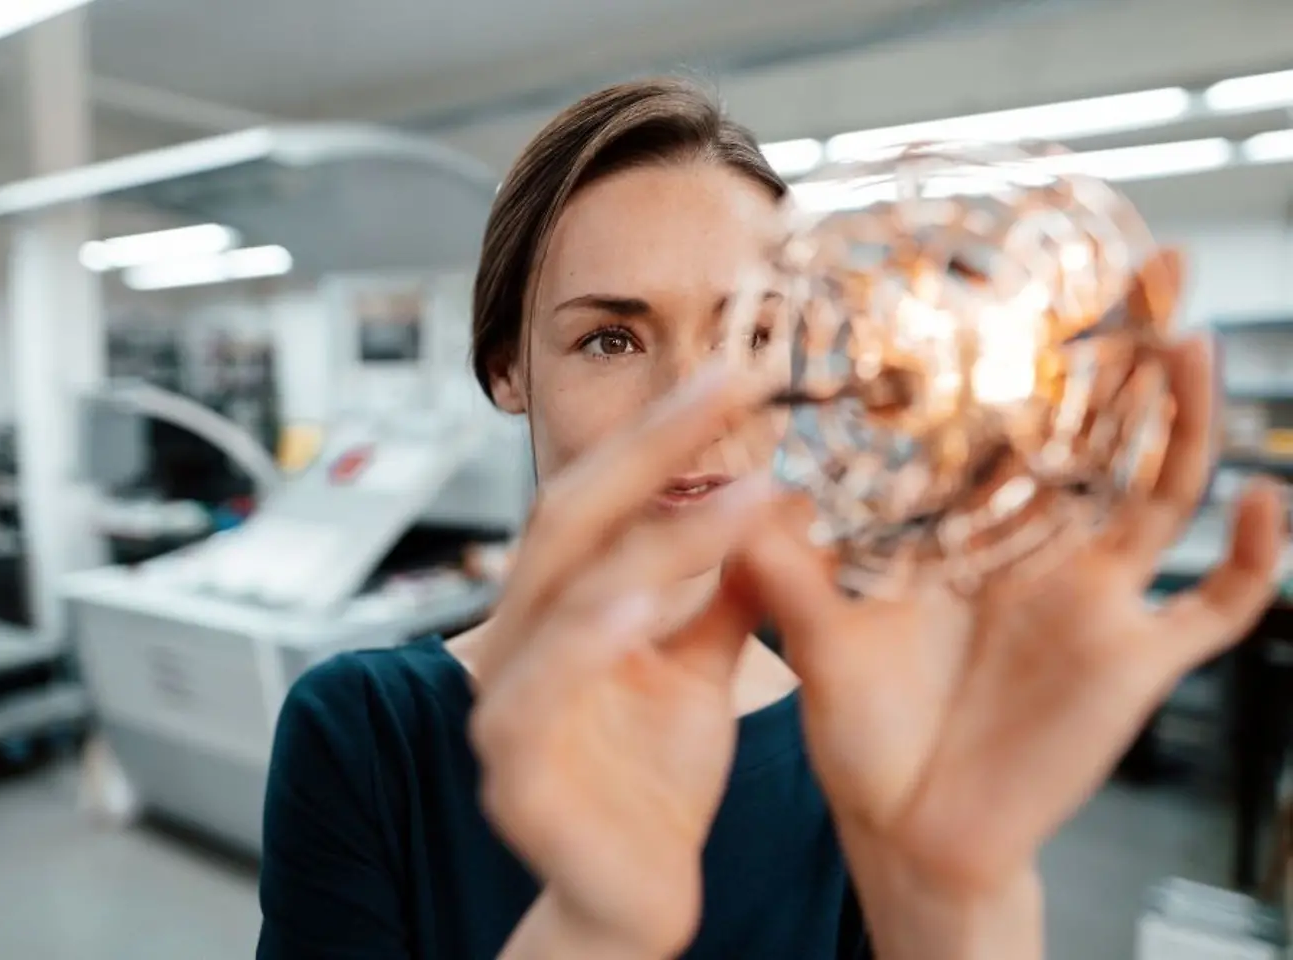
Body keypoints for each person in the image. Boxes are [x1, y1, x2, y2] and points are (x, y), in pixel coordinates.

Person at [256, 78, 1284, 960]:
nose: (686, 401)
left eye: (752, 330)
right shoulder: (364, 735)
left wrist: (959, 905)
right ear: (507, 367)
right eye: (612, 338)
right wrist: (594, 933)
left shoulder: (870, 742)